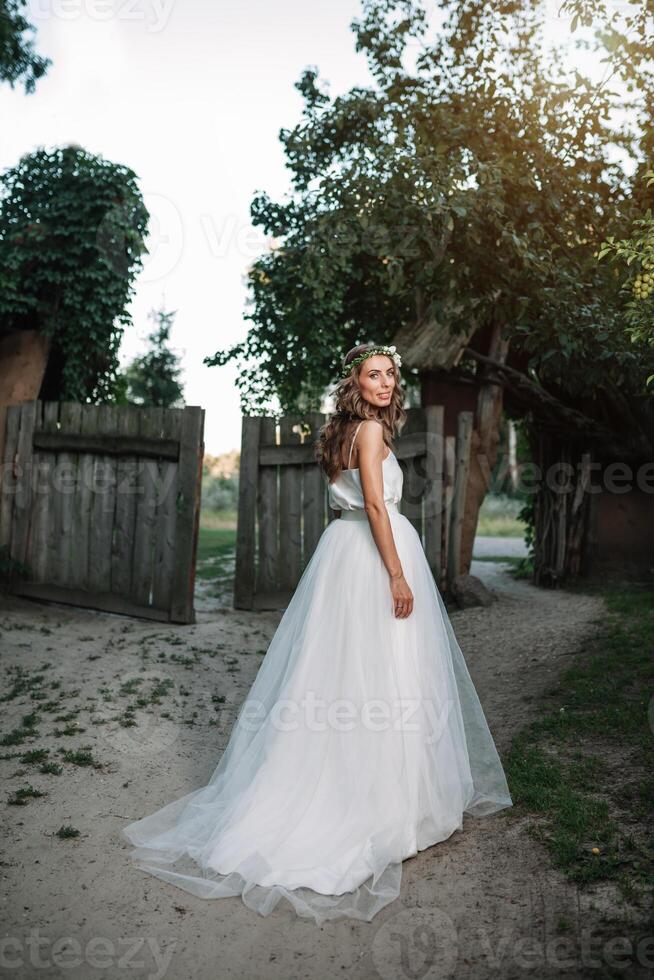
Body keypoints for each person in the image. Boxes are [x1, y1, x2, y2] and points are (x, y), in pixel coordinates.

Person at [121, 342, 512, 924]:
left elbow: (356, 504)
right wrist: (399, 575)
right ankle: (385, 804)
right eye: (373, 375)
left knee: (340, 676)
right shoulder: (373, 435)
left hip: (341, 555)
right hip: (373, 557)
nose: (384, 382)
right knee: (386, 674)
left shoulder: (342, 434)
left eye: (389, 375)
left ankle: (356, 784)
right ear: (355, 382)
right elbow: (378, 508)